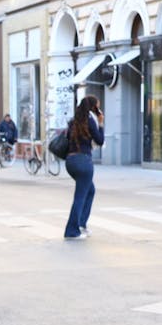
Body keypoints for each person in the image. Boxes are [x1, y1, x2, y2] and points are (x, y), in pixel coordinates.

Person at [61, 95, 104, 240]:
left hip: (70, 161)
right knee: (80, 196)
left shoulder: (73, 122)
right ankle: (72, 231)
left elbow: (68, 139)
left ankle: (81, 224)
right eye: (98, 106)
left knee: (90, 190)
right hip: (84, 162)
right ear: (94, 108)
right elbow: (100, 140)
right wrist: (101, 123)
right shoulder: (91, 120)